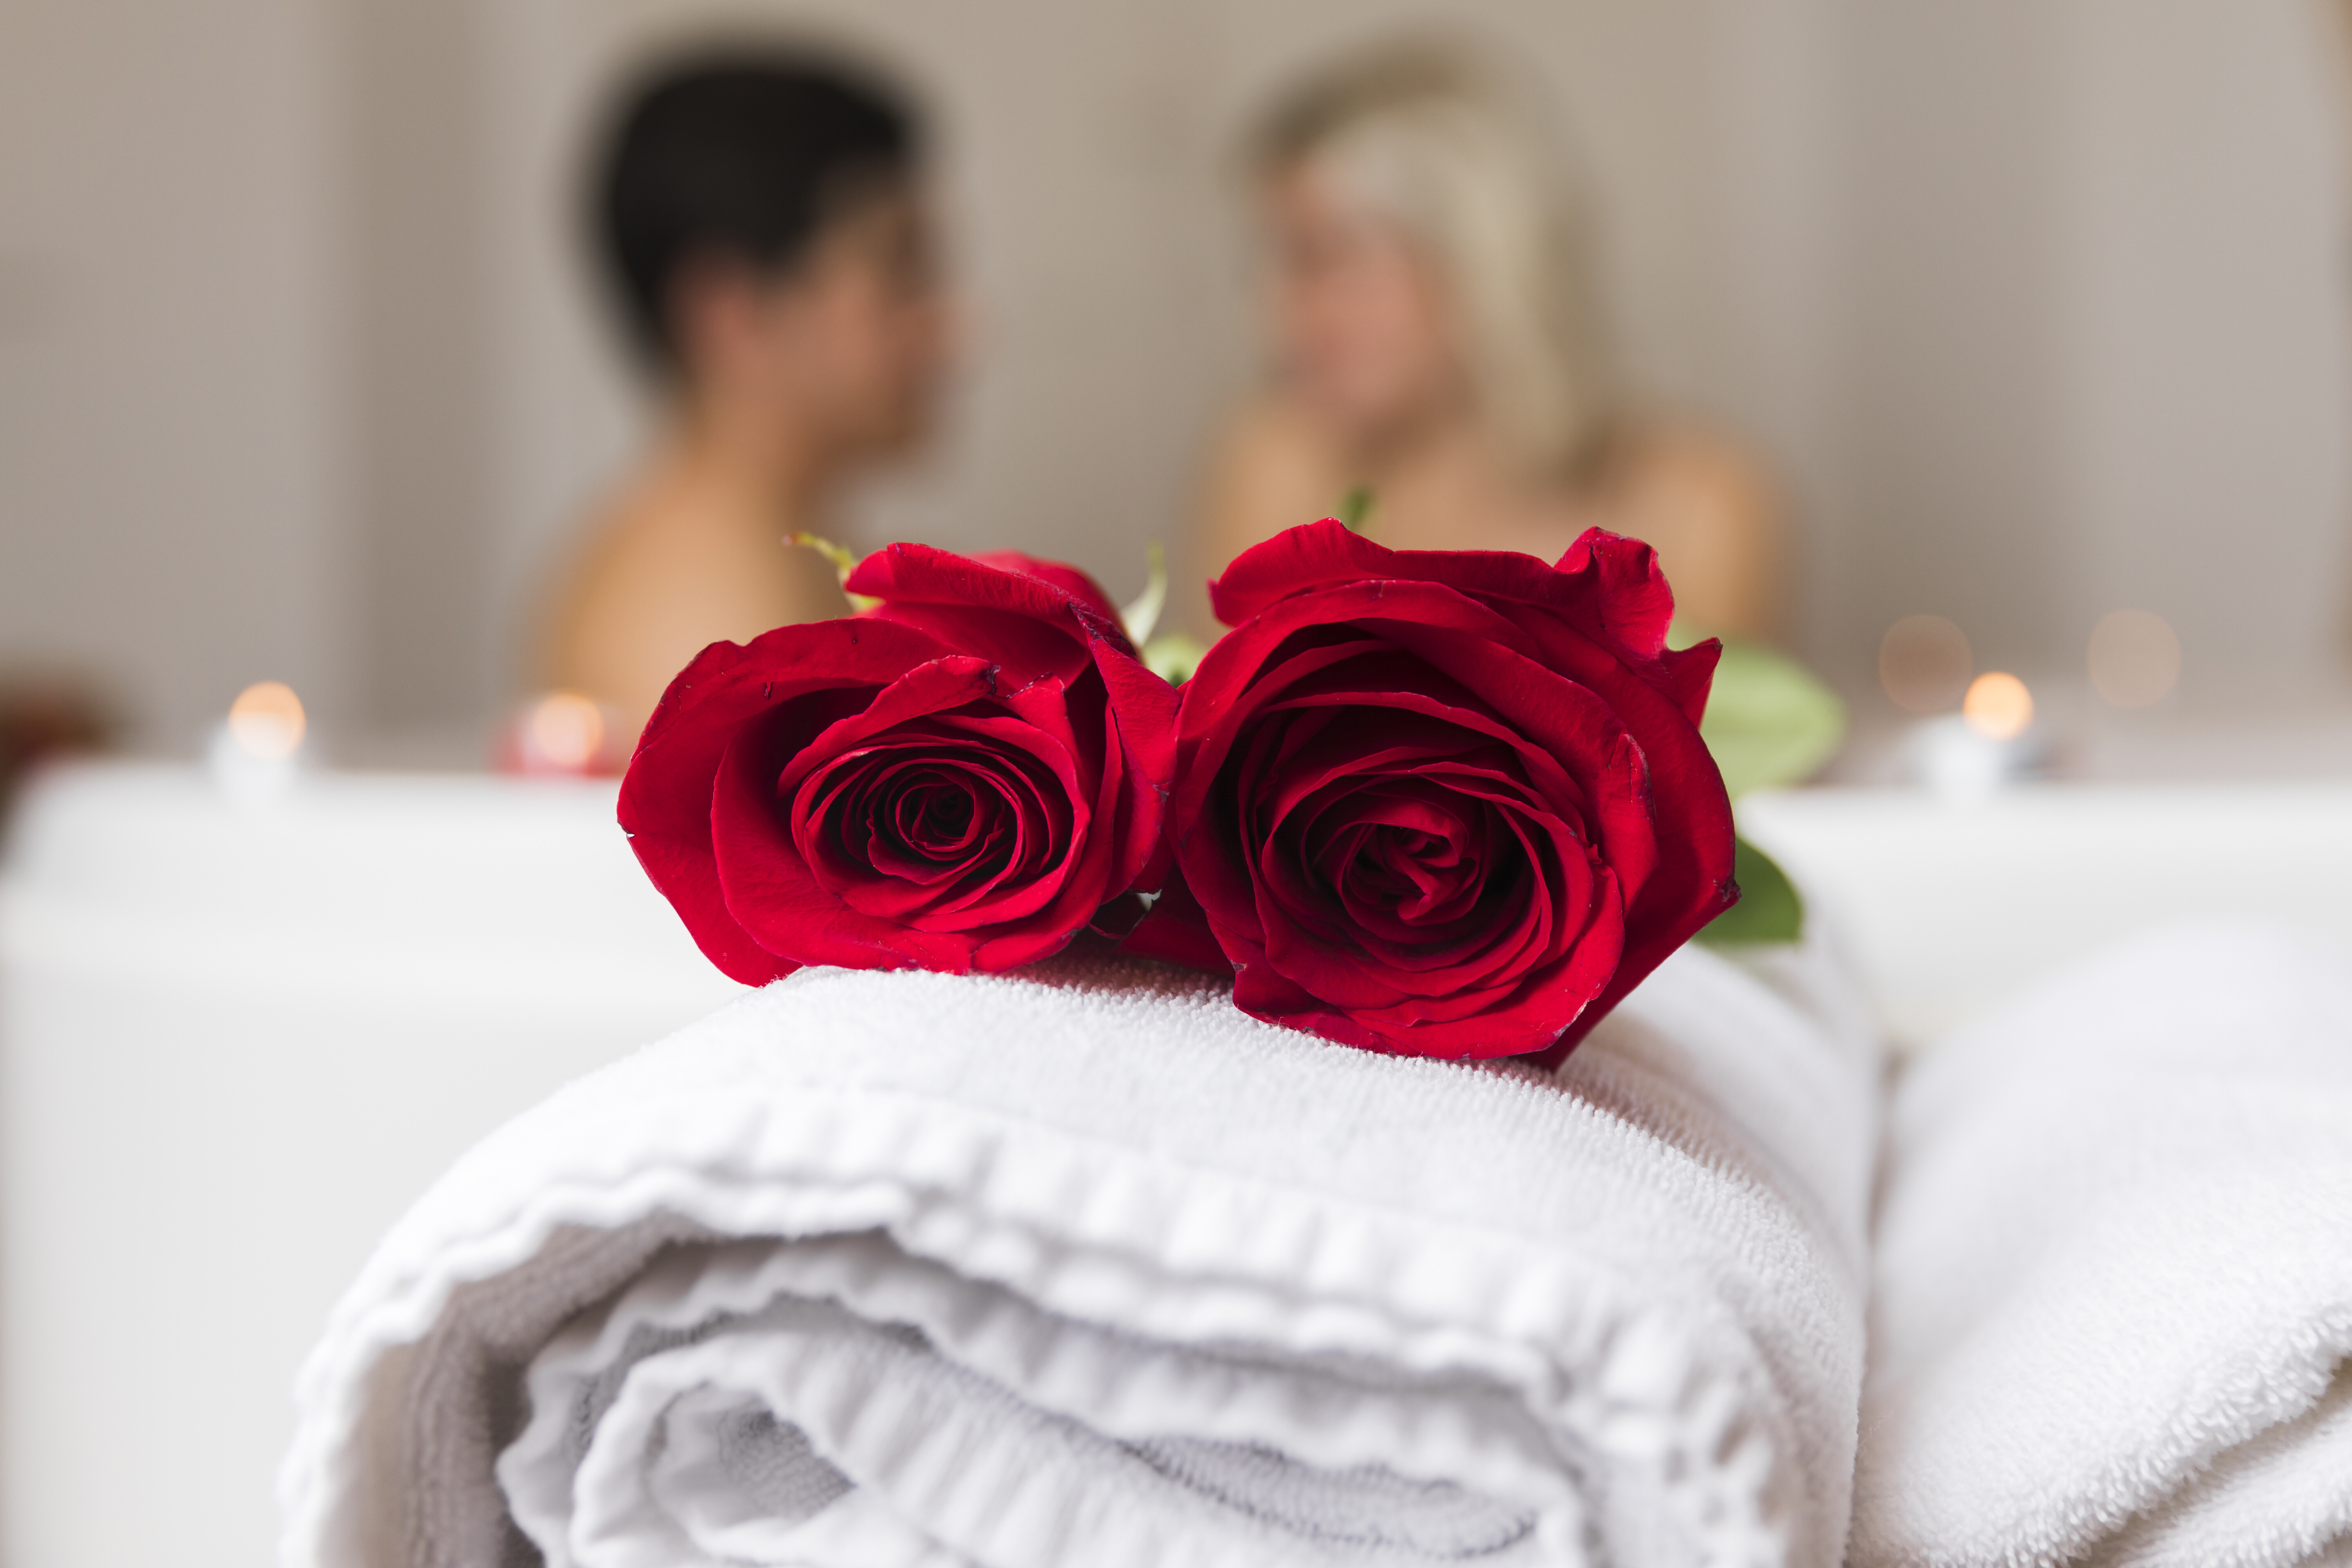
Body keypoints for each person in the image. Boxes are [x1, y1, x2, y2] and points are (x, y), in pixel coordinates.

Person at [1187, 43, 1779, 642]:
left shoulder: (1699, 508)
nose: (1276, 313)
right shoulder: (1276, 464)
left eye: (1324, 257)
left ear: (1485, 257)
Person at [541, 47, 951, 739]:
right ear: (733, 309)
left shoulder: (769, 561)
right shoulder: (698, 611)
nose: (950, 323)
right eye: (899, 270)